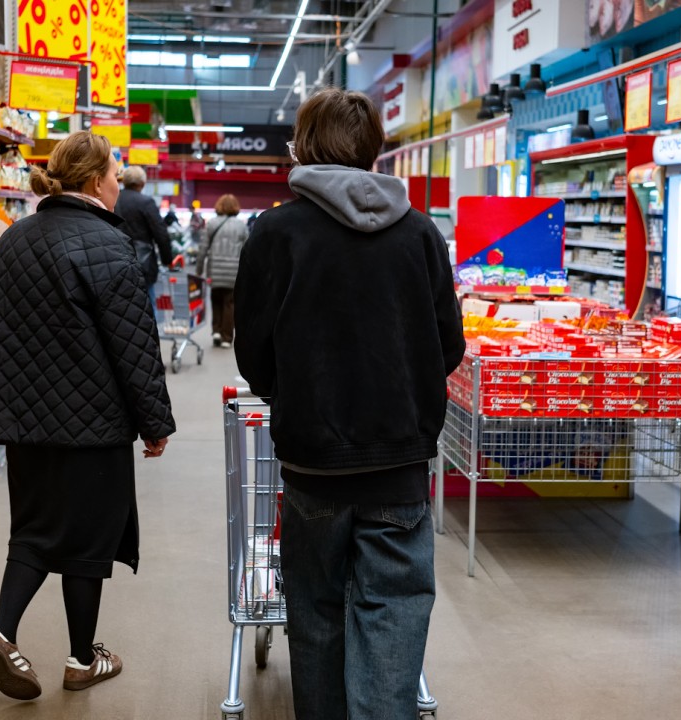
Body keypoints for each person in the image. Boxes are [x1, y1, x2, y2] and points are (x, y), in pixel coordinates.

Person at [234, 88, 465, 720]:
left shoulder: (275, 232)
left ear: (304, 146)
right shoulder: (420, 233)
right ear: (372, 148)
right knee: (393, 610)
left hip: (312, 465)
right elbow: (448, 345)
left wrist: (295, 393)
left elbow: (252, 352)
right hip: (400, 466)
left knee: (315, 611)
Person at [0, 131, 176, 701]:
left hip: (26, 426)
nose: (117, 183)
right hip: (93, 424)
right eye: (114, 174)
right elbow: (133, 344)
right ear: (95, 181)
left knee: (34, 531)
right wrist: (154, 422)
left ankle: (1, 632)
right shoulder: (107, 244)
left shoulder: (16, 238)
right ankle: (81, 659)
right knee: (89, 540)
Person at [196, 193, 248, 348]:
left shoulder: (211, 224)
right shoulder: (241, 226)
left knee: (215, 299)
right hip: (234, 271)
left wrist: (199, 269)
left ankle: (216, 331)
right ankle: (227, 337)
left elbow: (203, 249)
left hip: (215, 270)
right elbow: (247, 250)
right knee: (229, 303)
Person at [114, 166, 173, 288]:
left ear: (124, 181)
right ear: (142, 183)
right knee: (147, 297)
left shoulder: (113, 200)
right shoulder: (146, 202)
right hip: (142, 263)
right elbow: (161, 234)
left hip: (115, 260)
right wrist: (167, 260)